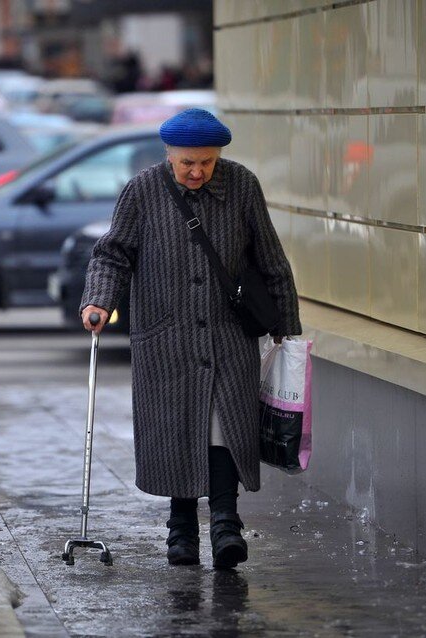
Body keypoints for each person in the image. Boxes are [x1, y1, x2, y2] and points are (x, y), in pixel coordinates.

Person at [80, 108, 301, 570]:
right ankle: (180, 531)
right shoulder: (143, 190)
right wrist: (98, 300)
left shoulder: (242, 185)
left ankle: (226, 526)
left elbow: (270, 259)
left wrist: (287, 327)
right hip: (166, 338)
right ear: (170, 156)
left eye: (207, 162)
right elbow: (113, 253)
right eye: (188, 164)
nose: (198, 171)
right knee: (178, 430)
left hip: (227, 335)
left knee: (223, 430)